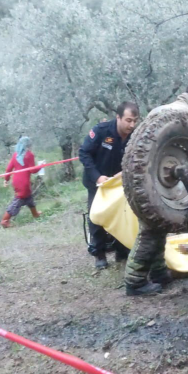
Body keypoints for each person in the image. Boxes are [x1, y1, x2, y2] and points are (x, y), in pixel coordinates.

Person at [124, 81, 188, 296]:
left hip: (142, 178)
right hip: (157, 182)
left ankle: (159, 273)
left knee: (158, 227)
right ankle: (134, 282)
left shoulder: (159, 110)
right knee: (150, 232)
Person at [79, 101, 140, 269]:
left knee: (123, 214)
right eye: (128, 120)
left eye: (135, 120)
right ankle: (99, 254)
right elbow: (84, 153)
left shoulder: (135, 136)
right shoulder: (101, 131)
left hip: (120, 183)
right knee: (97, 216)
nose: (132, 125)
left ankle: (122, 250)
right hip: (97, 182)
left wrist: (125, 172)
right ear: (118, 117)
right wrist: (97, 177)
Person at [1, 136, 41, 228]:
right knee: (18, 201)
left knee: (29, 197)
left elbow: (8, 169)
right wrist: (41, 166)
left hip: (16, 181)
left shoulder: (16, 154)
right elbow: (33, 170)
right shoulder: (29, 155)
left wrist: (6, 180)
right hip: (24, 182)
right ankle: (5, 220)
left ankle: (35, 214)